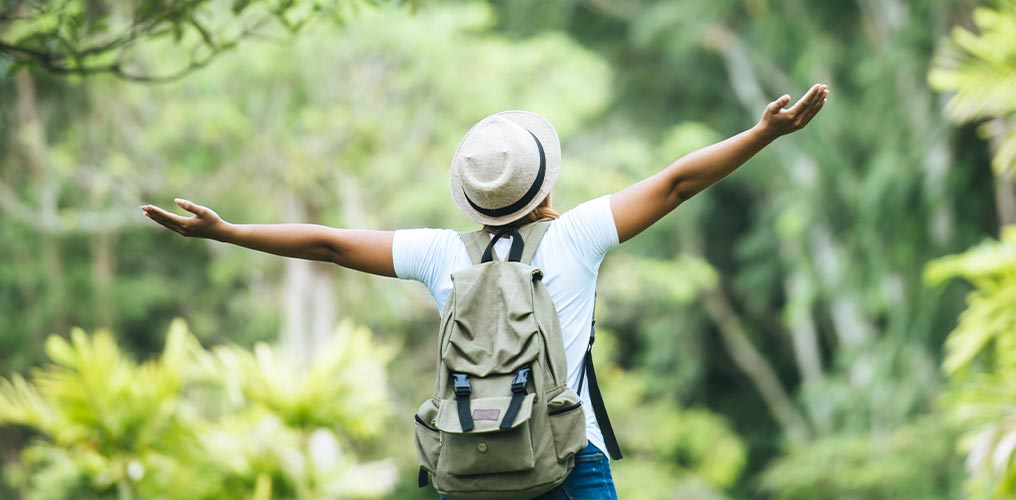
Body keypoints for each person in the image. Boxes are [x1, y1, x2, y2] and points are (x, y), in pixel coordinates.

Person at [142, 83, 829, 499]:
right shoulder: (577, 237)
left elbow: (327, 242)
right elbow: (678, 182)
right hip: (568, 462)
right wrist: (764, 133)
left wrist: (227, 231)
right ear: (546, 184)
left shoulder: (440, 253)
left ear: (472, 200)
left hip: (471, 468)